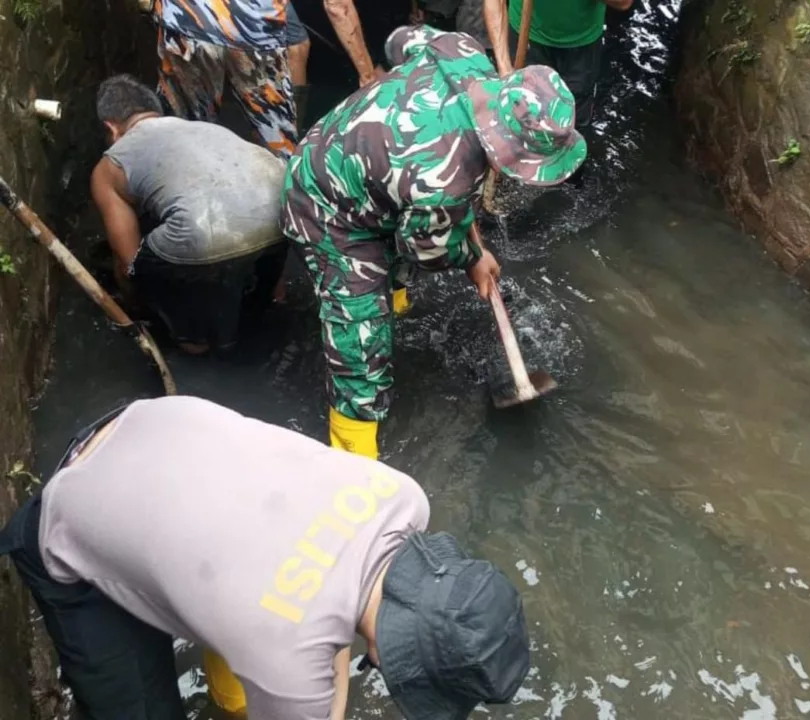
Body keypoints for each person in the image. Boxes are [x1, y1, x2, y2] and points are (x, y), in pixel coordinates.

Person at [0, 395, 531, 719]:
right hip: (68, 522)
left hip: (145, 427)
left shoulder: (405, 499)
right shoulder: (289, 661)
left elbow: (331, 588)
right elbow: (308, 641)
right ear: (401, 660)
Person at [281, 24, 587, 459]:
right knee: (361, 346)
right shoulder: (441, 186)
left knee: (405, 248)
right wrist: (472, 256)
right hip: (324, 207)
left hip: (349, 152)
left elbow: (397, 40)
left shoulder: (460, 51)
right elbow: (426, 249)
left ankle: (397, 306)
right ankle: (353, 457)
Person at [90, 75, 288, 355]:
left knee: (161, 283)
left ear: (111, 127)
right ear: (155, 111)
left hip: (202, 238)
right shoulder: (205, 128)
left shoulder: (111, 164)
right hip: (284, 213)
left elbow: (127, 262)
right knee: (260, 305)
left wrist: (138, 306)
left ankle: (193, 342)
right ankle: (271, 298)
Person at [154, 0, 384, 158]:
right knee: (279, 145)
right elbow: (337, 6)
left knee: (188, 132)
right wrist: (368, 75)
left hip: (185, 21)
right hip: (252, 26)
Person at [487, 0, 634, 183]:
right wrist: (504, 67)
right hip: (526, 34)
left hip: (581, 44)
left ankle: (569, 182)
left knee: (573, 126)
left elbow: (623, 3)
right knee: (521, 118)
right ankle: (521, 178)